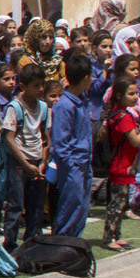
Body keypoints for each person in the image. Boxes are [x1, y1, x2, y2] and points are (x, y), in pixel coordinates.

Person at [0, 62, 51, 252]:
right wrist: (25, 163)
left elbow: (46, 138)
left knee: (36, 206)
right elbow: (9, 139)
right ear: (23, 86)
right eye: (35, 85)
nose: (40, 89)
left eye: (41, 84)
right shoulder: (15, 107)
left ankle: (32, 244)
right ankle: (10, 246)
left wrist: (44, 162)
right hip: (20, 163)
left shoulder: (44, 107)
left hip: (37, 162)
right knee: (16, 206)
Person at [102, 76, 140, 252]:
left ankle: (117, 235)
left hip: (125, 165)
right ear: (119, 95)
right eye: (131, 94)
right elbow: (135, 140)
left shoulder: (121, 113)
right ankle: (109, 237)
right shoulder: (123, 116)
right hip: (120, 166)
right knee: (116, 205)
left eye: (136, 93)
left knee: (121, 203)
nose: (135, 97)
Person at [50, 53, 95, 242]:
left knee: (82, 208)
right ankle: (61, 245)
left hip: (84, 164)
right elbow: (61, 143)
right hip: (72, 166)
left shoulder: (82, 102)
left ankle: (74, 245)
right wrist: (72, 164)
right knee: (70, 207)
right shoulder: (64, 106)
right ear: (85, 78)